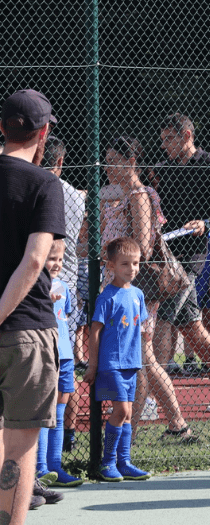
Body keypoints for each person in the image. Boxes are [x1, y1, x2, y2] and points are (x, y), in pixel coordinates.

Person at [99, 136, 196, 443]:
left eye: (113, 160)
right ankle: (174, 425)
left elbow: (142, 245)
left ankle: (134, 428)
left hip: (135, 287)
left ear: (130, 162)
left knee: (143, 357)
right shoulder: (119, 197)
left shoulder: (140, 195)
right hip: (119, 287)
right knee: (143, 358)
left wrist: (109, 253)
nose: (107, 167)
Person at [0, 89, 66, 522]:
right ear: (43, 135)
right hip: (25, 327)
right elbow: (37, 259)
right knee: (21, 441)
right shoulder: (45, 183)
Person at [153, 113, 210, 413]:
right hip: (164, 254)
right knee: (192, 327)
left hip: (192, 256)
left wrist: (207, 222)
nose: (164, 145)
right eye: (162, 139)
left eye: (168, 139)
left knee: (163, 318)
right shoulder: (162, 169)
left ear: (187, 135)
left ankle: (152, 398)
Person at [83, 237, 153, 482]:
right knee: (120, 410)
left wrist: (147, 338)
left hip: (131, 364)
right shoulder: (107, 297)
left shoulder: (138, 294)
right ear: (111, 265)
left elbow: (141, 325)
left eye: (135, 263)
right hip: (112, 363)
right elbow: (94, 331)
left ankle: (124, 462)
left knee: (128, 413)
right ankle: (107, 462)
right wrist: (93, 365)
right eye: (125, 264)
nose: (131, 269)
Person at [40, 135, 84, 453]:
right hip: (62, 282)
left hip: (51, 283)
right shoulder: (71, 193)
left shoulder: (38, 188)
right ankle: (64, 441)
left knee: (56, 374)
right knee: (63, 372)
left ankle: (58, 443)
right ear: (60, 161)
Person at [35, 241, 83, 487]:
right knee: (46, 411)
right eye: (52, 258)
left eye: (61, 259)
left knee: (60, 409)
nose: (57, 264)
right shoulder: (33, 285)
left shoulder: (64, 285)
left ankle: (55, 466)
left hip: (64, 356)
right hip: (46, 355)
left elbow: (69, 316)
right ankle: (40, 468)